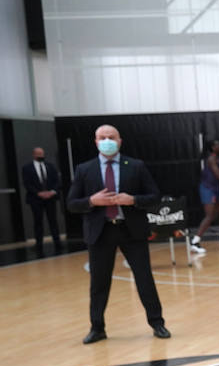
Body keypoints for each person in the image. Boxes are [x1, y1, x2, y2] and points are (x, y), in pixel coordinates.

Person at [66, 125, 172, 343]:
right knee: (99, 283)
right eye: (102, 137)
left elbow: (154, 195)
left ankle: (157, 323)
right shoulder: (84, 169)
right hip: (100, 232)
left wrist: (132, 199)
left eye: (111, 137)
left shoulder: (136, 166)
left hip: (131, 230)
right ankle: (97, 328)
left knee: (144, 279)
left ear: (119, 141)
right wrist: (91, 201)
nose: (107, 140)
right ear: (95, 142)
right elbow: (71, 204)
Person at [191, 138, 219, 253]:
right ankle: (195, 241)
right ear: (213, 147)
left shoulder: (217, 158)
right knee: (210, 216)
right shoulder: (211, 159)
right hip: (208, 189)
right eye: (218, 144)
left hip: (215, 189)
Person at [21, 146, 63, 257]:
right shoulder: (27, 168)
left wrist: (52, 192)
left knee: (53, 220)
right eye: (38, 154)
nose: (41, 156)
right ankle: (38, 244)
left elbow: (57, 181)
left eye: (42, 154)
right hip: (36, 199)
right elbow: (27, 183)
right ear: (34, 155)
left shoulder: (50, 166)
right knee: (38, 221)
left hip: (51, 198)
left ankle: (57, 242)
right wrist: (38, 193)